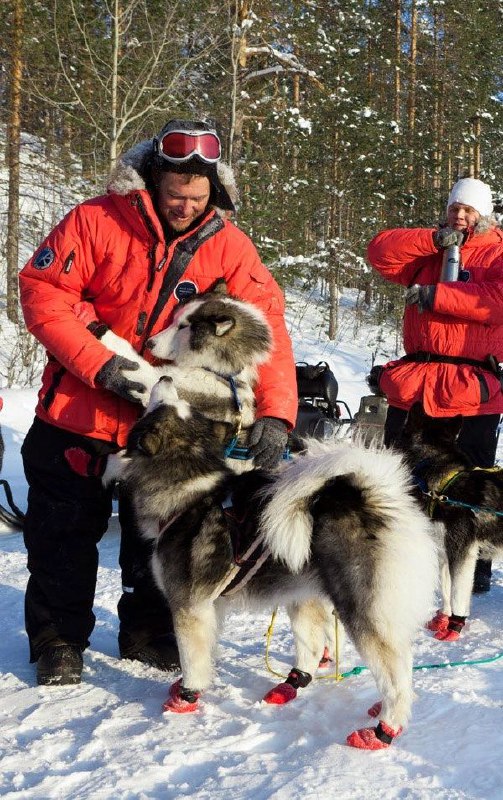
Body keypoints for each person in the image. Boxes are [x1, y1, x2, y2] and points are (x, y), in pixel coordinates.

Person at [19, 119, 298, 686]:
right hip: (79, 409)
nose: (185, 206)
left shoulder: (230, 247)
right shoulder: (94, 220)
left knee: (168, 532)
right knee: (62, 532)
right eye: (175, 195)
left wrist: (277, 410)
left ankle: (148, 632)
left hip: (171, 425)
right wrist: (100, 365)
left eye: (198, 198)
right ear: (152, 178)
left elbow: (266, 329)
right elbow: (43, 293)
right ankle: (58, 638)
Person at [367, 177, 503, 593]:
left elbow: (495, 301)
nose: (460, 216)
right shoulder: (432, 249)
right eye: (454, 208)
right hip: (417, 381)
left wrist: (438, 296)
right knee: (398, 475)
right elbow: (381, 254)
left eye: (469, 210)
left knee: (472, 482)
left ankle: (473, 570)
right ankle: (398, 560)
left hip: (472, 385)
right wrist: (431, 240)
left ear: (485, 213)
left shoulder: (498, 251)